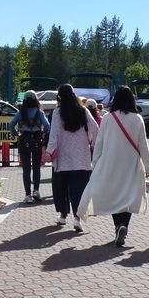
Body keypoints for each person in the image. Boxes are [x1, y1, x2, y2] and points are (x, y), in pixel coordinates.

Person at [76, 86, 149, 246]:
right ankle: (124, 225)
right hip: (131, 164)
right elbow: (143, 145)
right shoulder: (137, 119)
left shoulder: (108, 118)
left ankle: (119, 225)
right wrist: (148, 166)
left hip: (110, 163)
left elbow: (99, 144)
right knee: (129, 196)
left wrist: (95, 162)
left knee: (114, 195)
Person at [46, 84, 99, 232]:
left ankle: (63, 215)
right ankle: (77, 218)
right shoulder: (83, 110)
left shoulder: (57, 113)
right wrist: (93, 144)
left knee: (61, 188)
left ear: (59, 97)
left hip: (63, 158)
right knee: (79, 189)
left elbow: (54, 134)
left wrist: (49, 151)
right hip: (82, 157)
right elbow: (95, 129)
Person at [9, 90, 51, 204]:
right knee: (36, 167)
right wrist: (43, 133)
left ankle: (28, 195)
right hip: (37, 141)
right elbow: (47, 126)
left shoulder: (20, 113)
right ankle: (36, 191)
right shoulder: (40, 112)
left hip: (24, 141)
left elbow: (11, 124)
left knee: (26, 169)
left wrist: (15, 134)